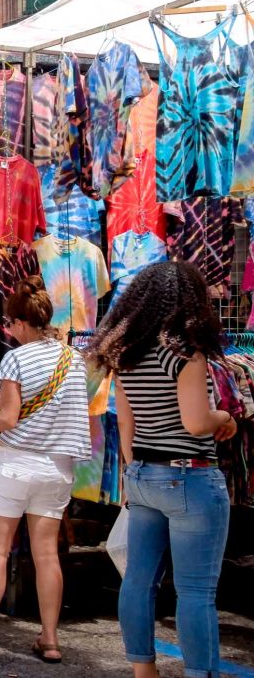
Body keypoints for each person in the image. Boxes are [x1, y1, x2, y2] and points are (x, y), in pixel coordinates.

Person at [88, 261, 236, 678]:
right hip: (190, 476)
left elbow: (125, 423)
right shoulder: (186, 351)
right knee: (195, 591)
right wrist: (224, 417)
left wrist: (136, 473)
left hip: (143, 475)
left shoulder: (125, 353)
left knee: (138, 580)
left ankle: (143, 671)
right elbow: (195, 423)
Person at [0, 276, 91, 663]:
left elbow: (8, 420)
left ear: (22, 322)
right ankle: (49, 640)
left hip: (16, 465)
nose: (8, 331)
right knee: (47, 555)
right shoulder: (73, 358)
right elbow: (42, 408)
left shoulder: (15, 357)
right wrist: (6, 401)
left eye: (10, 324)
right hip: (57, 468)